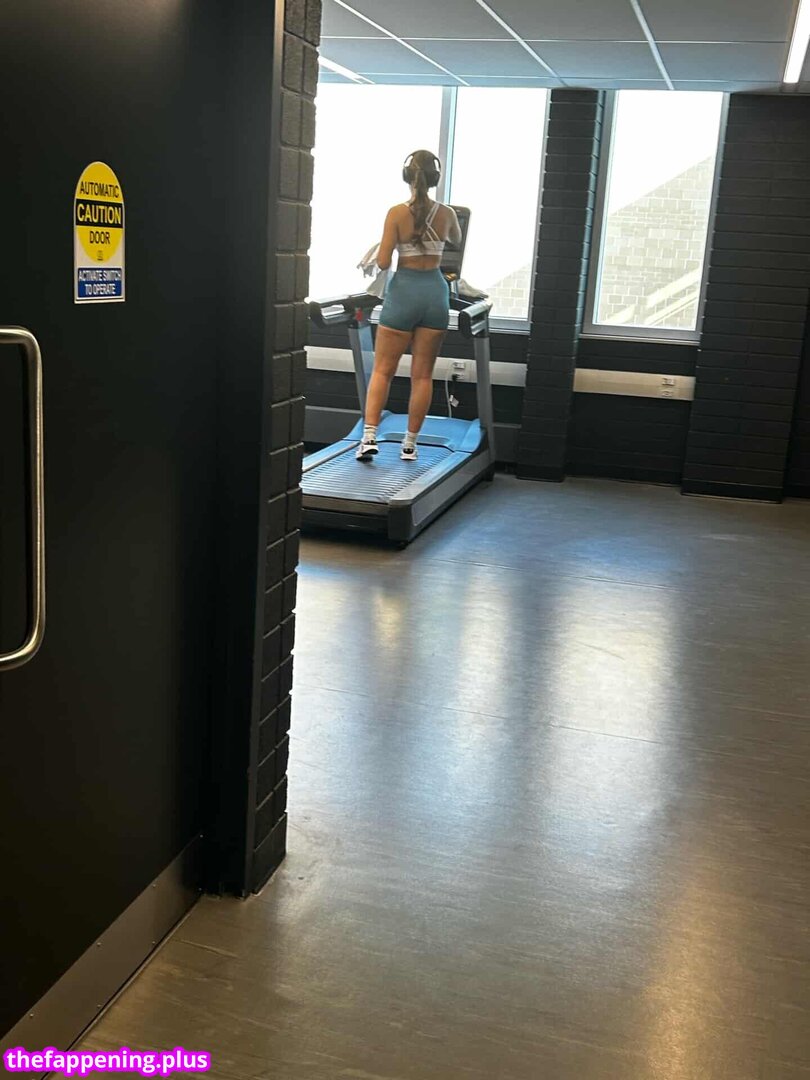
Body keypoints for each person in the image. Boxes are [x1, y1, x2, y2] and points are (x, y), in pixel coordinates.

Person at [356, 150, 462, 462]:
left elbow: (384, 262)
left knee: (383, 370)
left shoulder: (395, 213)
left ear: (407, 177)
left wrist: (385, 245)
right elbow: (456, 240)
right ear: (435, 178)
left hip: (404, 293)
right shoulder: (447, 214)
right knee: (423, 376)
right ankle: (410, 445)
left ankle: (369, 438)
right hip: (434, 295)